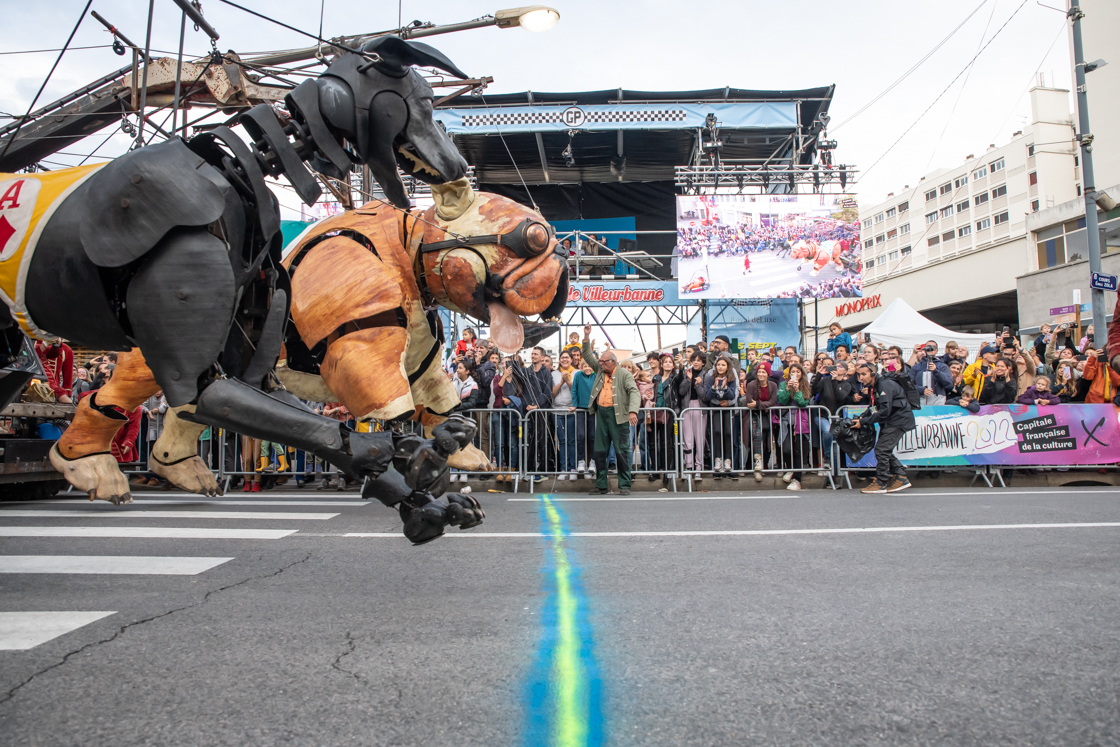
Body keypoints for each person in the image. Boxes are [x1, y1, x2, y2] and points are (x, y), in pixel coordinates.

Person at [582, 325, 640, 495]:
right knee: (599, 451)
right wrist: (586, 336)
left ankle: (624, 485)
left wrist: (632, 411)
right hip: (602, 414)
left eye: (603, 361)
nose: (599, 363)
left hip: (619, 417)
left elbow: (634, 392)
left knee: (622, 451)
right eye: (599, 361)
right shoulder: (600, 370)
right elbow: (586, 355)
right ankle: (601, 485)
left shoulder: (624, 374)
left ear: (613, 362)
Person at [851, 361, 916, 494]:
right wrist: (862, 417)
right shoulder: (875, 386)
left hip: (898, 421)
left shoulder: (884, 384)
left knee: (881, 450)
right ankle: (901, 477)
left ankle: (881, 482)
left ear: (873, 373)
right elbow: (873, 407)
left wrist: (863, 422)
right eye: (859, 374)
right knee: (883, 449)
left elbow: (884, 411)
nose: (861, 377)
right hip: (892, 421)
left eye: (864, 374)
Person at [516, 346, 555, 481]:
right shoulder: (527, 372)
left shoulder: (546, 373)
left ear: (542, 357)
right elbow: (514, 369)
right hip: (527, 412)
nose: (533, 356)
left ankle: (543, 471)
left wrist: (536, 405)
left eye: (535, 354)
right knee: (528, 441)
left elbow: (547, 392)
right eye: (532, 354)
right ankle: (530, 469)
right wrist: (516, 352)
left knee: (542, 441)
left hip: (541, 413)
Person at [776, 363, 813, 491]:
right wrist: (788, 389)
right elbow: (781, 400)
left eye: (798, 372)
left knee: (798, 450)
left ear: (801, 373)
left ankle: (797, 479)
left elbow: (803, 402)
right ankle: (791, 469)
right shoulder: (783, 384)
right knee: (786, 448)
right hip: (787, 421)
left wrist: (797, 390)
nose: (795, 374)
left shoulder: (805, 385)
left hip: (800, 421)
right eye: (793, 372)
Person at [742, 364, 778, 482]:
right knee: (757, 436)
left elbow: (773, 402)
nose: (761, 374)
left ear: (768, 374)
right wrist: (764, 405)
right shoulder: (752, 385)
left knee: (767, 439)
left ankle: (765, 464)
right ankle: (757, 463)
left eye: (764, 372)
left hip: (768, 416)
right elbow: (748, 402)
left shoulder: (773, 385)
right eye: (759, 372)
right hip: (754, 416)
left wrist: (757, 404)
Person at [490, 357, 523, 483]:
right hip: (499, 412)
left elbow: (520, 395)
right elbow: (496, 391)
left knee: (513, 444)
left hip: (513, 413)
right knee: (499, 443)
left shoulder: (517, 379)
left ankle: (511, 470)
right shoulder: (498, 377)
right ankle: (500, 470)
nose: (506, 365)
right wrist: (504, 376)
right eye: (504, 363)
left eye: (508, 363)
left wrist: (511, 401)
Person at [704, 356, 738, 476]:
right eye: (718, 365)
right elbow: (707, 395)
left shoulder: (732, 378)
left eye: (723, 365)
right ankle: (717, 459)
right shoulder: (710, 378)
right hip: (715, 408)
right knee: (717, 432)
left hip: (728, 409)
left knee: (728, 433)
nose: (720, 367)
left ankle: (728, 460)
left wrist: (725, 388)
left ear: (727, 366)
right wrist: (714, 387)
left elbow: (732, 394)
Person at [650, 352, 679, 486]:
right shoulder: (656, 378)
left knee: (666, 442)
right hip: (655, 412)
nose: (667, 363)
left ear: (673, 365)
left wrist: (682, 366)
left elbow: (681, 380)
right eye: (665, 362)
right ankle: (655, 469)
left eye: (670, 362)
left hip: (668, 412)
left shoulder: (675, 378)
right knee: (652, 443)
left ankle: (667, 470)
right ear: (662, 364)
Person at [678, 352, 708, 480]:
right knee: (687, 438)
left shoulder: (706, 375)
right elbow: (681, 391)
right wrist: (688, 379)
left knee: (700, 439)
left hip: (700, 408)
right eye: (694, 360)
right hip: (687, 407)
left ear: (703, 362)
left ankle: (698, 468)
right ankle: (688, 466)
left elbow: (705, 396)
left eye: (698, 360)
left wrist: (697, 385)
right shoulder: (687, 372)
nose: (696, 362)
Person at [572, 357, 596, 477]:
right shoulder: (577, 376)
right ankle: (580, 461)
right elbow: (574, 391)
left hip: (593, 409)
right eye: (585, 366)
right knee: (580, 435)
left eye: (589, 366)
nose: (587, 368)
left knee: (593, 436)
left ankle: (593, 461)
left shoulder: (596, 375)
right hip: (581, 409)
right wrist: (575, 405)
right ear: (581, 367)